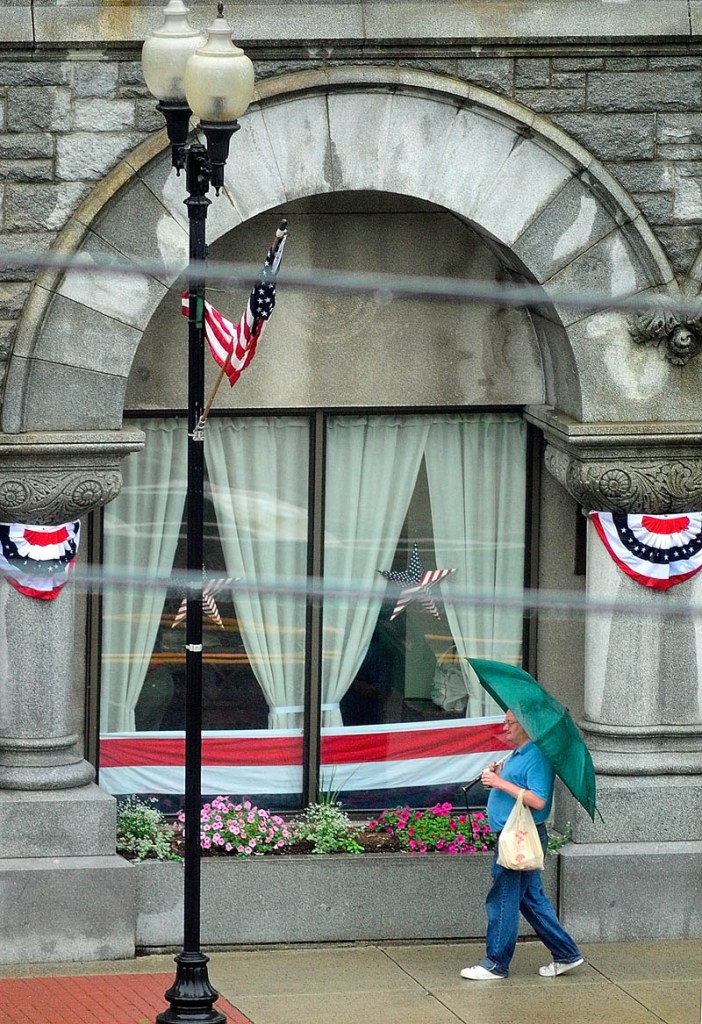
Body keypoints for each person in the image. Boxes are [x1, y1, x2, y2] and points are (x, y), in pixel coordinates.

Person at [460, 710, 584, 981]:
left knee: (502, 897)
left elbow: (538, 800)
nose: (504, 727)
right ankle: (566, 953)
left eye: (510, 722)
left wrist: (499, 782)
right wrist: (500, 774)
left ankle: (495, 963)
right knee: (531, 899)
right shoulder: (518, 753)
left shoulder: (537, 756)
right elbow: (518, 786)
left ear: (526, 725)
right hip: (514, 835)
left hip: (519, 836)